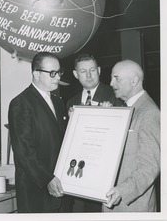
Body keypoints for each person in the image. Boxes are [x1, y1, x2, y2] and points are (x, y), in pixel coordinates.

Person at [8, 52, 73, 213]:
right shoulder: (20, 103)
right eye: (52, 73)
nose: (57, 77)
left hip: (61, 188)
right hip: (36, 192)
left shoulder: (58, 101)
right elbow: (23, 151)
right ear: (36, 73)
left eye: (59, 72)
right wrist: (47, 179)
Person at [66, 53, 123, 212]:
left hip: (104, 177)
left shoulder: (115, 95)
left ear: (99, 70)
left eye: (92, 70)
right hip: (77, 177)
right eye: (83, 71)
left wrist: (112, 115)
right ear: (76, 74)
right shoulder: (71, 102)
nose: (89, 75)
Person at [102, 60, 160, 212]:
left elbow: (150, 167)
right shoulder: (127, 108)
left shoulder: (150, 113)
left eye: (117, 78)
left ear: (134, 80)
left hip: (132, 207)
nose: (111, 83)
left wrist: (122, 191)